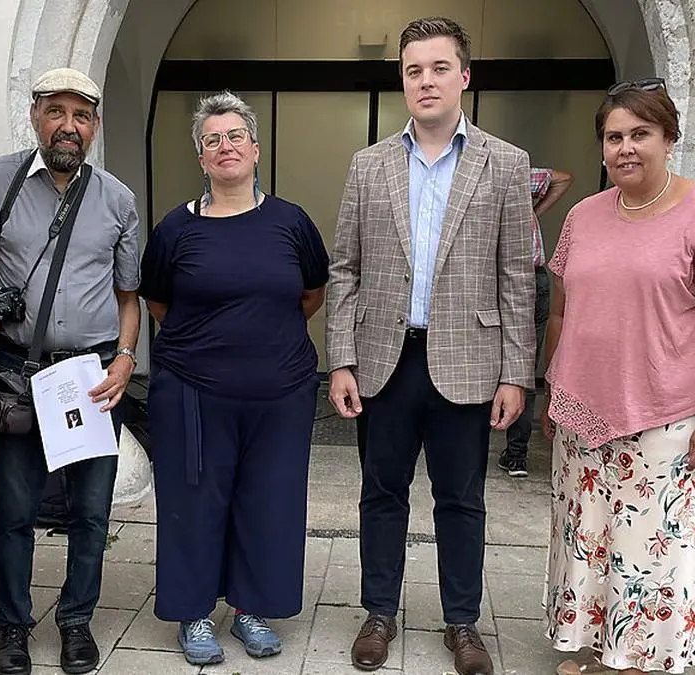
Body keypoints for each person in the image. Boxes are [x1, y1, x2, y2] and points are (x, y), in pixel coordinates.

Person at [325, 17, 536, 675]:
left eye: (439, 68)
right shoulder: (369, 164)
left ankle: (462, 622)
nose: (426, 80)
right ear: (403, 79)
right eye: (414, 69)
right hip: (385, 361)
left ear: (464, 77)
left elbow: (514, 276)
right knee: (381, 491)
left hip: (468, 364)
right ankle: (379, 611)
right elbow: (345, 268)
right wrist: (340, 358)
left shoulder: (506, 164)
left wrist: (516, 374)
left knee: (462, 497)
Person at [541, 79, 695, 675]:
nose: (625, 148)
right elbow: (561, 308)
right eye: (614, 137)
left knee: (651, 549)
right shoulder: (584, 215)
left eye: (640, 134)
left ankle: (635, 662)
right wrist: (552, 391)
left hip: (665, 417)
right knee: (587, 539)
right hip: (583, 413)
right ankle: (595, 647)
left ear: (669, 137)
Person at [0, 67, 141, 675]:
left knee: (91, 512)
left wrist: (127, 360)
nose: (68, 126)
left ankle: (77, 622)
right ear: (35, 116)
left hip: (91, 376)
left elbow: (128, 294)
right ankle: (12, 627)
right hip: (17, 375)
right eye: (56, 111)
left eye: (81, 116)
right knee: (17, 510)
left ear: (94, 127)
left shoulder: (117, 198)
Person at [138, 91, 329, 666]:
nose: (225, 147)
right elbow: (158, 301)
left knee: (268, 501)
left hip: (282, 392)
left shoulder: (291, 222)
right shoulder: (176, 229)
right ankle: (194, 612)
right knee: (193, 501)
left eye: (235, 136)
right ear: (201, 158)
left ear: (256, 149)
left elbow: (311, 293)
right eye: (212, 140)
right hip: (194, 392)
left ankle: (251, 608)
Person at [497, 167, 574, 478]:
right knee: (523, 365)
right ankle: (516, 453)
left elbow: (562, 177)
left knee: (486, 363)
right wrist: (533, 210)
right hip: (529, 277)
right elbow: (562, 177)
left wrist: (535, 208)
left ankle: (500, 449)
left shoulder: (504, 173)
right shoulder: (514, 175)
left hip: (504, 279)